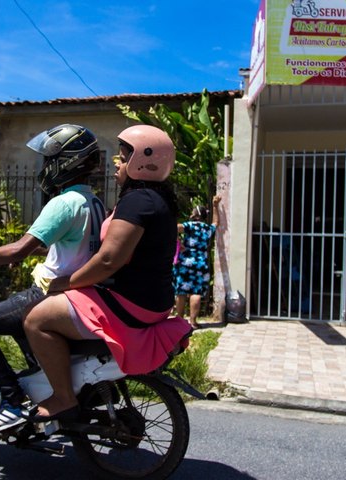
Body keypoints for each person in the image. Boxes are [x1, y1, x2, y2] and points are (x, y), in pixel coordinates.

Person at [0, 124, 105, 436]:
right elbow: (70, 243)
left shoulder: (63, 203)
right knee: (11, 320)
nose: (45, 166)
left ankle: (11, 400)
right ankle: (38, 384)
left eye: (50, 159)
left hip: (48, 293)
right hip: (74, 293)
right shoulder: (92, 202)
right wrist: (35, 250)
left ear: (66, 162)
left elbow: (19, 248)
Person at [23, 125, 193, 421]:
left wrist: (64, 283)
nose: (117, 162)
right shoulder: (155, 198)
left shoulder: (138, 201)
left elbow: (108, 261)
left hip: (130, 303)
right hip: (149, 301)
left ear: (144, 160)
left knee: (36, 319)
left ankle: (63, 397)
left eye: (124, 157)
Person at [173, 195, 221, 329]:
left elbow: (173, 228)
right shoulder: (206, 229)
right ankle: (193, 322)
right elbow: (216, 223)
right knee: (196, 292)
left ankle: (179, 320)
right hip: (201, 262)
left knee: (181, 291)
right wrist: (215, 206)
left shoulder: (189, 226)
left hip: (185, 261)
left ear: (195, 215)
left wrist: (179, 242)